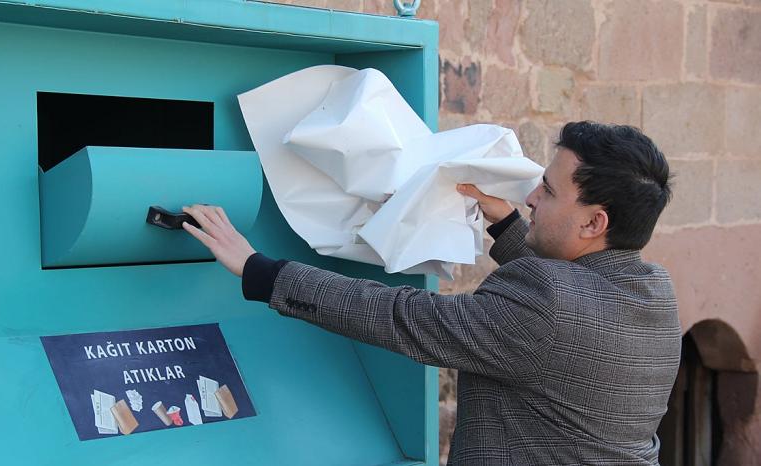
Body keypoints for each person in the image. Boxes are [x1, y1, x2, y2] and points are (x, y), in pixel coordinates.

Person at [181, 121, 681, 465]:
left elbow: (406, 317)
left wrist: (260, 270)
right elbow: (565, 317)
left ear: (596, 222)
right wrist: (506, 223)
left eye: (547, 192)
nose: (530, 197)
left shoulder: (547, 304)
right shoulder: (654, 293)